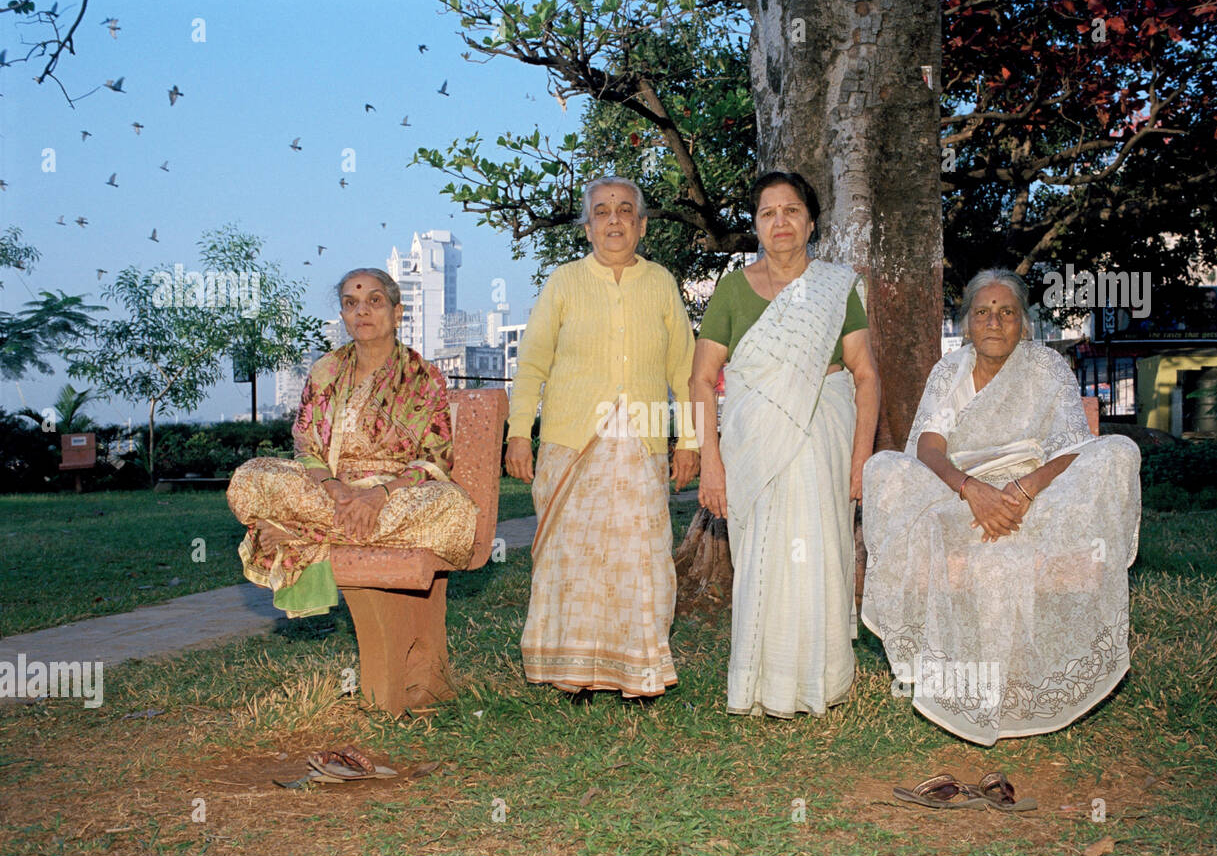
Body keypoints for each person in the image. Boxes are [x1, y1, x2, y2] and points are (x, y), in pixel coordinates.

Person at [860, 269, 1142, 745]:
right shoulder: (950, 371)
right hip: (958, 494)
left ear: (1023, 324)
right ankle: (963, 679)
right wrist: (971, 489)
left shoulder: (1046, 367)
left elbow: (1073, 447)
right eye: (983, 312)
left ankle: (1023, 686)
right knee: (883, 467)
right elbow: (929, 448)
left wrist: (1025, 489)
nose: (994, 322)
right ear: (967, 322)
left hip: (1036, 495)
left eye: (1006, 312)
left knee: (1118, 450)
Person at [690, 171, 881, 718]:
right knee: (764, 558)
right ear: (756, 226)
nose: (781, 222)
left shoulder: (836, 287)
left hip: (825, 430)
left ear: (811, 222)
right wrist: (712, 463)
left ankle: (821, 681)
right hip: (755, 442)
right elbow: (701, 379)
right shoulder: (732, 289)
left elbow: (864, 374)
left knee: (820, 549)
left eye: (792, 210)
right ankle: (762, 682)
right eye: (769, 212)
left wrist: (861, 457)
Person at [505, 176, 700, 702]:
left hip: (640, 443)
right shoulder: (564, 282)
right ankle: (576, 673)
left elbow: (685, 368)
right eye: (602, 211)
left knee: (642, 555)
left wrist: (690, 442)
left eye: (625, 211)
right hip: (572, 441)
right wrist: (519, 434)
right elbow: (532, 365)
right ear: (588, 226)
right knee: (574, 558)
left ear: (640, 224)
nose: (614, 220)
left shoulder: (661, 283)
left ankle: (639, 673)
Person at [227, 268, 476, 618]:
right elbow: (305, 446)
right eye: (351, 303)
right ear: (343, 315)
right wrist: (334, 487)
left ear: (397, 312)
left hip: (395, 496)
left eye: (374, 301)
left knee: (454, 506)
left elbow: (435, 460)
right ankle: (322, 530)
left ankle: (297, 532)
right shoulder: (325, 371)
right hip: (329, 490)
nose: (362, 311)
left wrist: (379, 495)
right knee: (251, 476)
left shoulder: (424, 376)